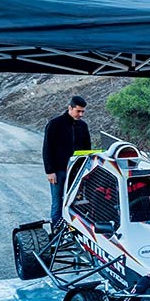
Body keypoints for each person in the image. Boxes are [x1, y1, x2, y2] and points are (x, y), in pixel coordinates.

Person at [43, 96, 92, 226]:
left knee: (77, 202)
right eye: (78, 111)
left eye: (83, 111)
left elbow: (88, 149)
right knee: (58, 203)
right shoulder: (54, 124)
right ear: (70, 108)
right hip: (59, 172)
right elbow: (47, 149)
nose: (81, 114)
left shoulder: (83, 126)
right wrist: (50, 171)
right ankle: (57, 231)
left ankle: (74, 230)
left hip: (78, 172)